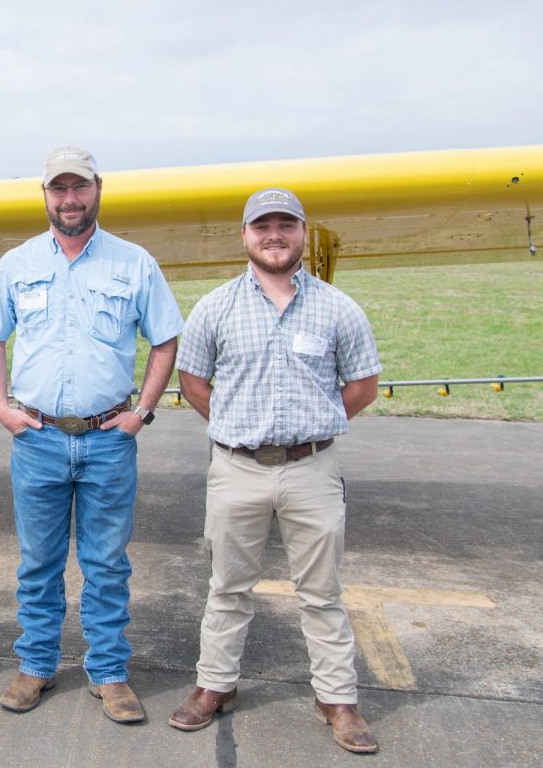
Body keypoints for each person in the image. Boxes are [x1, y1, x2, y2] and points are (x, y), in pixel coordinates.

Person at [0, 145, 182, 723]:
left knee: (107, 562)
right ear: (45, 195)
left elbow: (165, 338)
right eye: (59, 189)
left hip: (108, 438)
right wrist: (1, 405)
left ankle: (109, 672)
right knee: (38, 561)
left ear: (97, 190)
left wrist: (142, 410)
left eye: (79, 187)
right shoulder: (16, 264)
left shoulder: (133, 262)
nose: (69, 199)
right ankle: (36, 665)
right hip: (36, 437)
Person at [168, 187, 381, 754]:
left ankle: (337, 698)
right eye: (262, 225)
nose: (274, 235)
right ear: (245, 236)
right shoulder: (215, 307)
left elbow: (361, 387)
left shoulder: (338, 308)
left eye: (286, 224)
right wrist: (239, 427)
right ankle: (215, 685)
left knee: (322, 591)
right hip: (237, 468)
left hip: (312, 467)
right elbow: (193, 381)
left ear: (303, 234)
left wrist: (313, 427)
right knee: (227, 587)